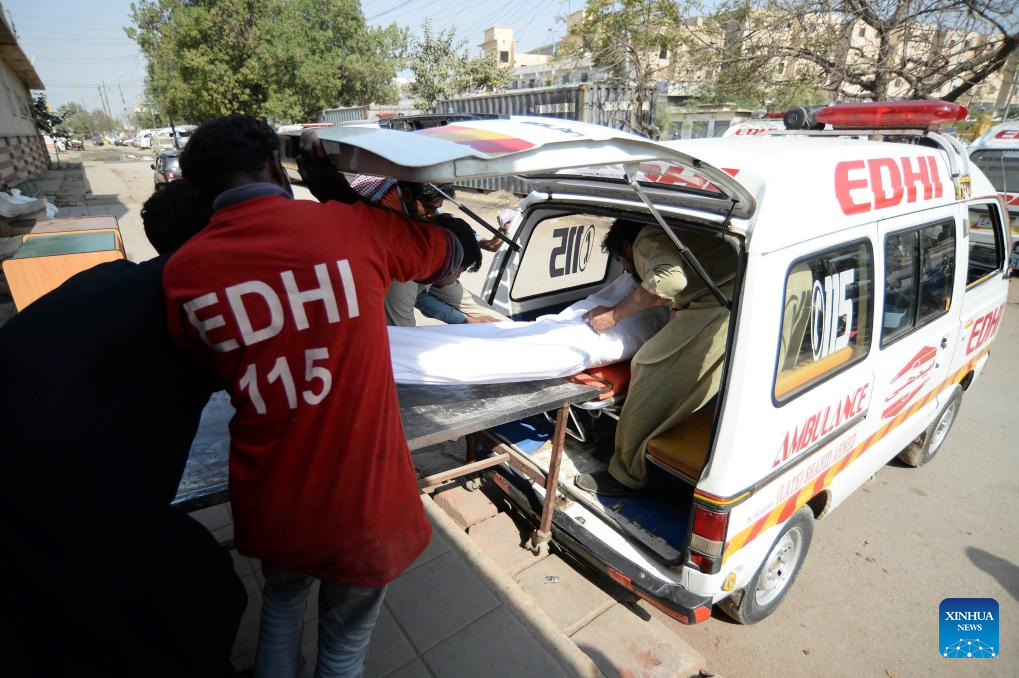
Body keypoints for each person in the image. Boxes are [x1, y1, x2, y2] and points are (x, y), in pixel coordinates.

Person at [162, 116, 471, 677]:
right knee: (343, 647)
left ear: (199, 187)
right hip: (362, 502)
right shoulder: (349, 229)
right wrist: (338, 193)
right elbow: (450, 253)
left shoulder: (183, 273)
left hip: (273, 497)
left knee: (281, 603)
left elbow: (210, 368)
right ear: (276, 166)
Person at [0, 180, 245, 677]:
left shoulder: (108, 277)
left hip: (30, 476)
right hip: (57, 497)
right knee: (203, 595)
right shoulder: (193, 305)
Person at [573, 220, 733, 496]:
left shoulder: (647, 238)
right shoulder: (676, 233)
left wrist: (613, 315)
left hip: (721, 306)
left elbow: (671, 280)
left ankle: (625, 475)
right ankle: (635, 443)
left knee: (648, 367)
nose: (626, 270)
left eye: (622, 261)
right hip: (723, 298)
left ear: (627, 247)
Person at [350, 175, 506, 326]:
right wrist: (464, 320)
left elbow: (441, 220)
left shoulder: (421, 207)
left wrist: (481, 241)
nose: (432, 214)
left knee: (497, 322)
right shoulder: (386, 224)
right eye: (460, 269)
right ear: (407, 195)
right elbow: (413, 302)